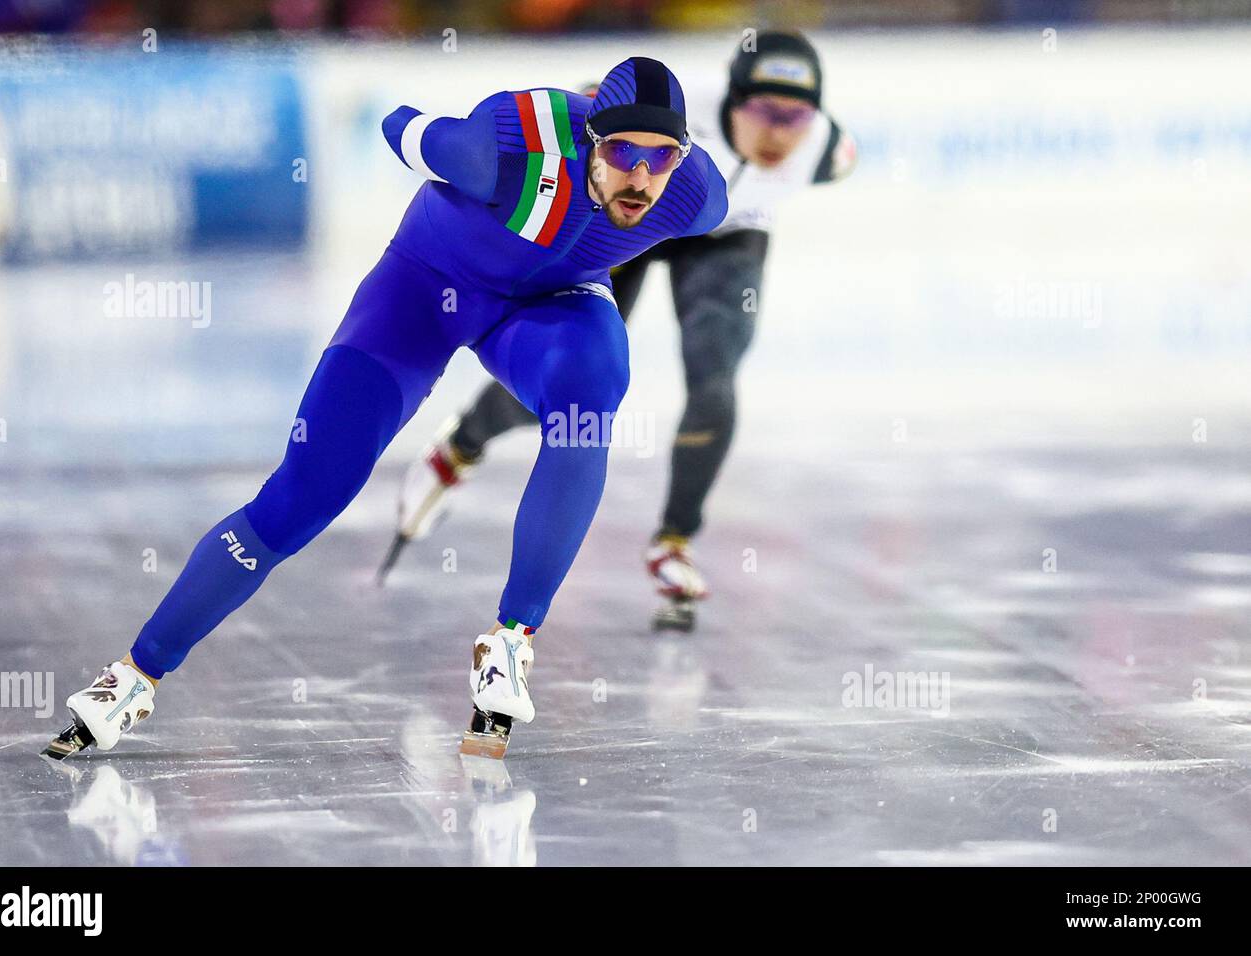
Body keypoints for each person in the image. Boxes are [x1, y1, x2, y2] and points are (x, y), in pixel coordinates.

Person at [45, 56, 728, 761]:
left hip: (549, 307)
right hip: (422, 292)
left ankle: (513, 639)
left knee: (592, 393)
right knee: (303, 497)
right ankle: (135, 673)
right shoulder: (506, 149)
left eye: (662, 157)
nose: (641, 177)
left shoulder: (696, 197)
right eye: (622, 152)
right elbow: (400, 126)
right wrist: (388, 109)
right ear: (591, 137)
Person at [383, 32, 856, 630]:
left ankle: (674, 542)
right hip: (629, 218)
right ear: (731, 102)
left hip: (728, 238)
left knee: (715, 374)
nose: (780, 132)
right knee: (570, 378)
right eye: (764, 112)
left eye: (797, 116)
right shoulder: (673, 124)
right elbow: (583, 125)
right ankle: (462, 445)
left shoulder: (828, 151)